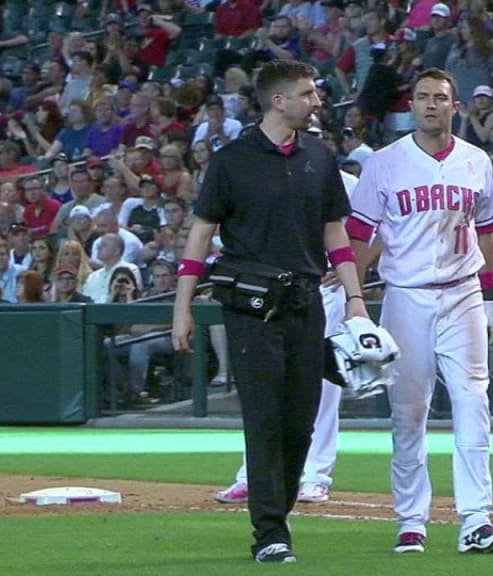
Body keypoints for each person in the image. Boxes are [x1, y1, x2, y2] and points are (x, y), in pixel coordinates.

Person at [171, 60, 368, 565]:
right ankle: (270, 533)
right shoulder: (232, 160)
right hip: (250, 305)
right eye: (308, 93)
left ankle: (277, 516)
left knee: (300, 419)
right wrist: (183, 307)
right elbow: (200, 234)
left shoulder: (320, 157)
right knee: (263, 418)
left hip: (306, 300)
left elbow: (336, 234)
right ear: (279, 101)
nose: (317, 101)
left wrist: (355, 299)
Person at [345, 67, 493, 556]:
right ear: (411, 106)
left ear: (454, 105)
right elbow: (359, 236)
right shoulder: (384, 163)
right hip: (406, 295)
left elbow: (486, 231)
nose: (431, 105)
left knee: (473, 403)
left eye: (441, 97)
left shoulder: (476, 161)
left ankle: (477, 518)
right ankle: (411, 520)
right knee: (408, 412)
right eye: (422, 97)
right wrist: (353, 305)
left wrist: (491, 294)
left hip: (462, 292)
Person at [215, 166, 367, 507]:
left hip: (323, 290)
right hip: (272, 290)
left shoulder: (344, 181)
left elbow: (373, 230)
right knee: (264, 388)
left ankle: (315, 476)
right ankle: (253, 476)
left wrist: (351, 273)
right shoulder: (260, 172)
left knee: (323, 390)